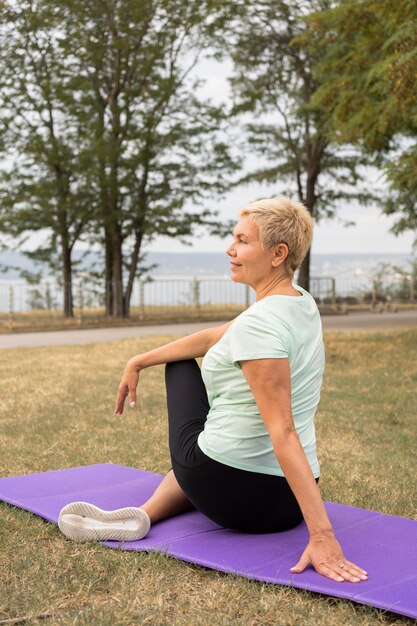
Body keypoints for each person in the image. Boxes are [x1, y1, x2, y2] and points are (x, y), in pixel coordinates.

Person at [58, 196, 367, 584]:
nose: (230, 248)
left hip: (230, 492)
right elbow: (212, 336)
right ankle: (145, 514)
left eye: (242, 240)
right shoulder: (299, 303)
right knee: (213, 421)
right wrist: (138, 359)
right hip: (283, 506)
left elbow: (282, 431)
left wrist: (322, 536)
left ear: (278, 253)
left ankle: (157, 503)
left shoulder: (259, 325)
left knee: (180, 367)